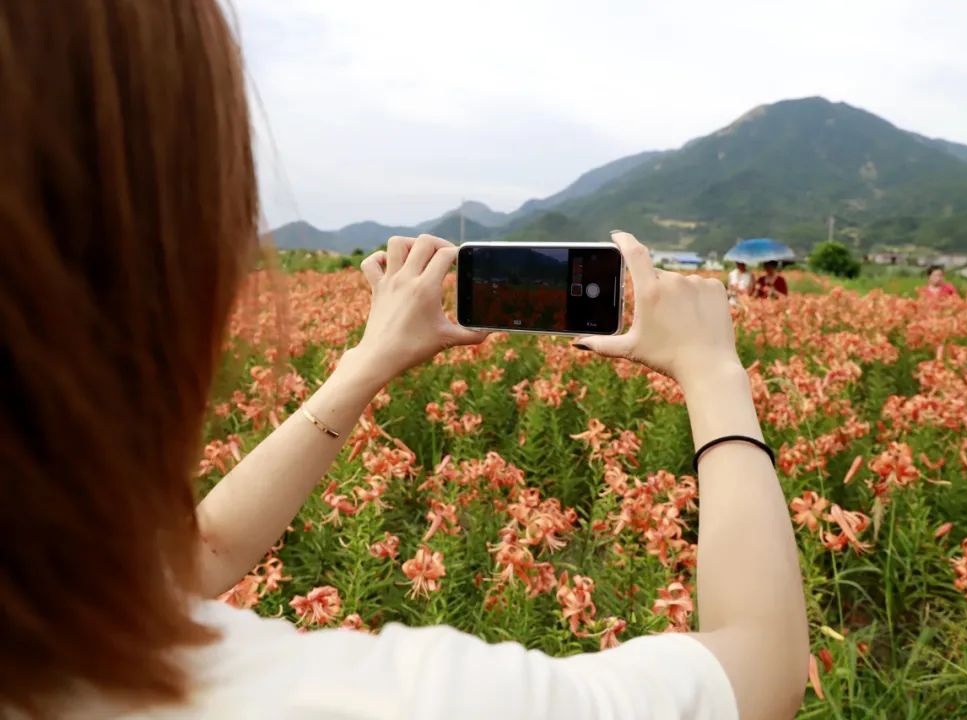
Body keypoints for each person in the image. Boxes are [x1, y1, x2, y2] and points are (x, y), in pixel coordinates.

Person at [0, 3, 808, 719]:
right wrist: (713, 373)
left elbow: (198, 555)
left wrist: (365, 364)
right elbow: (762, 668)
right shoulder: (368, 699)